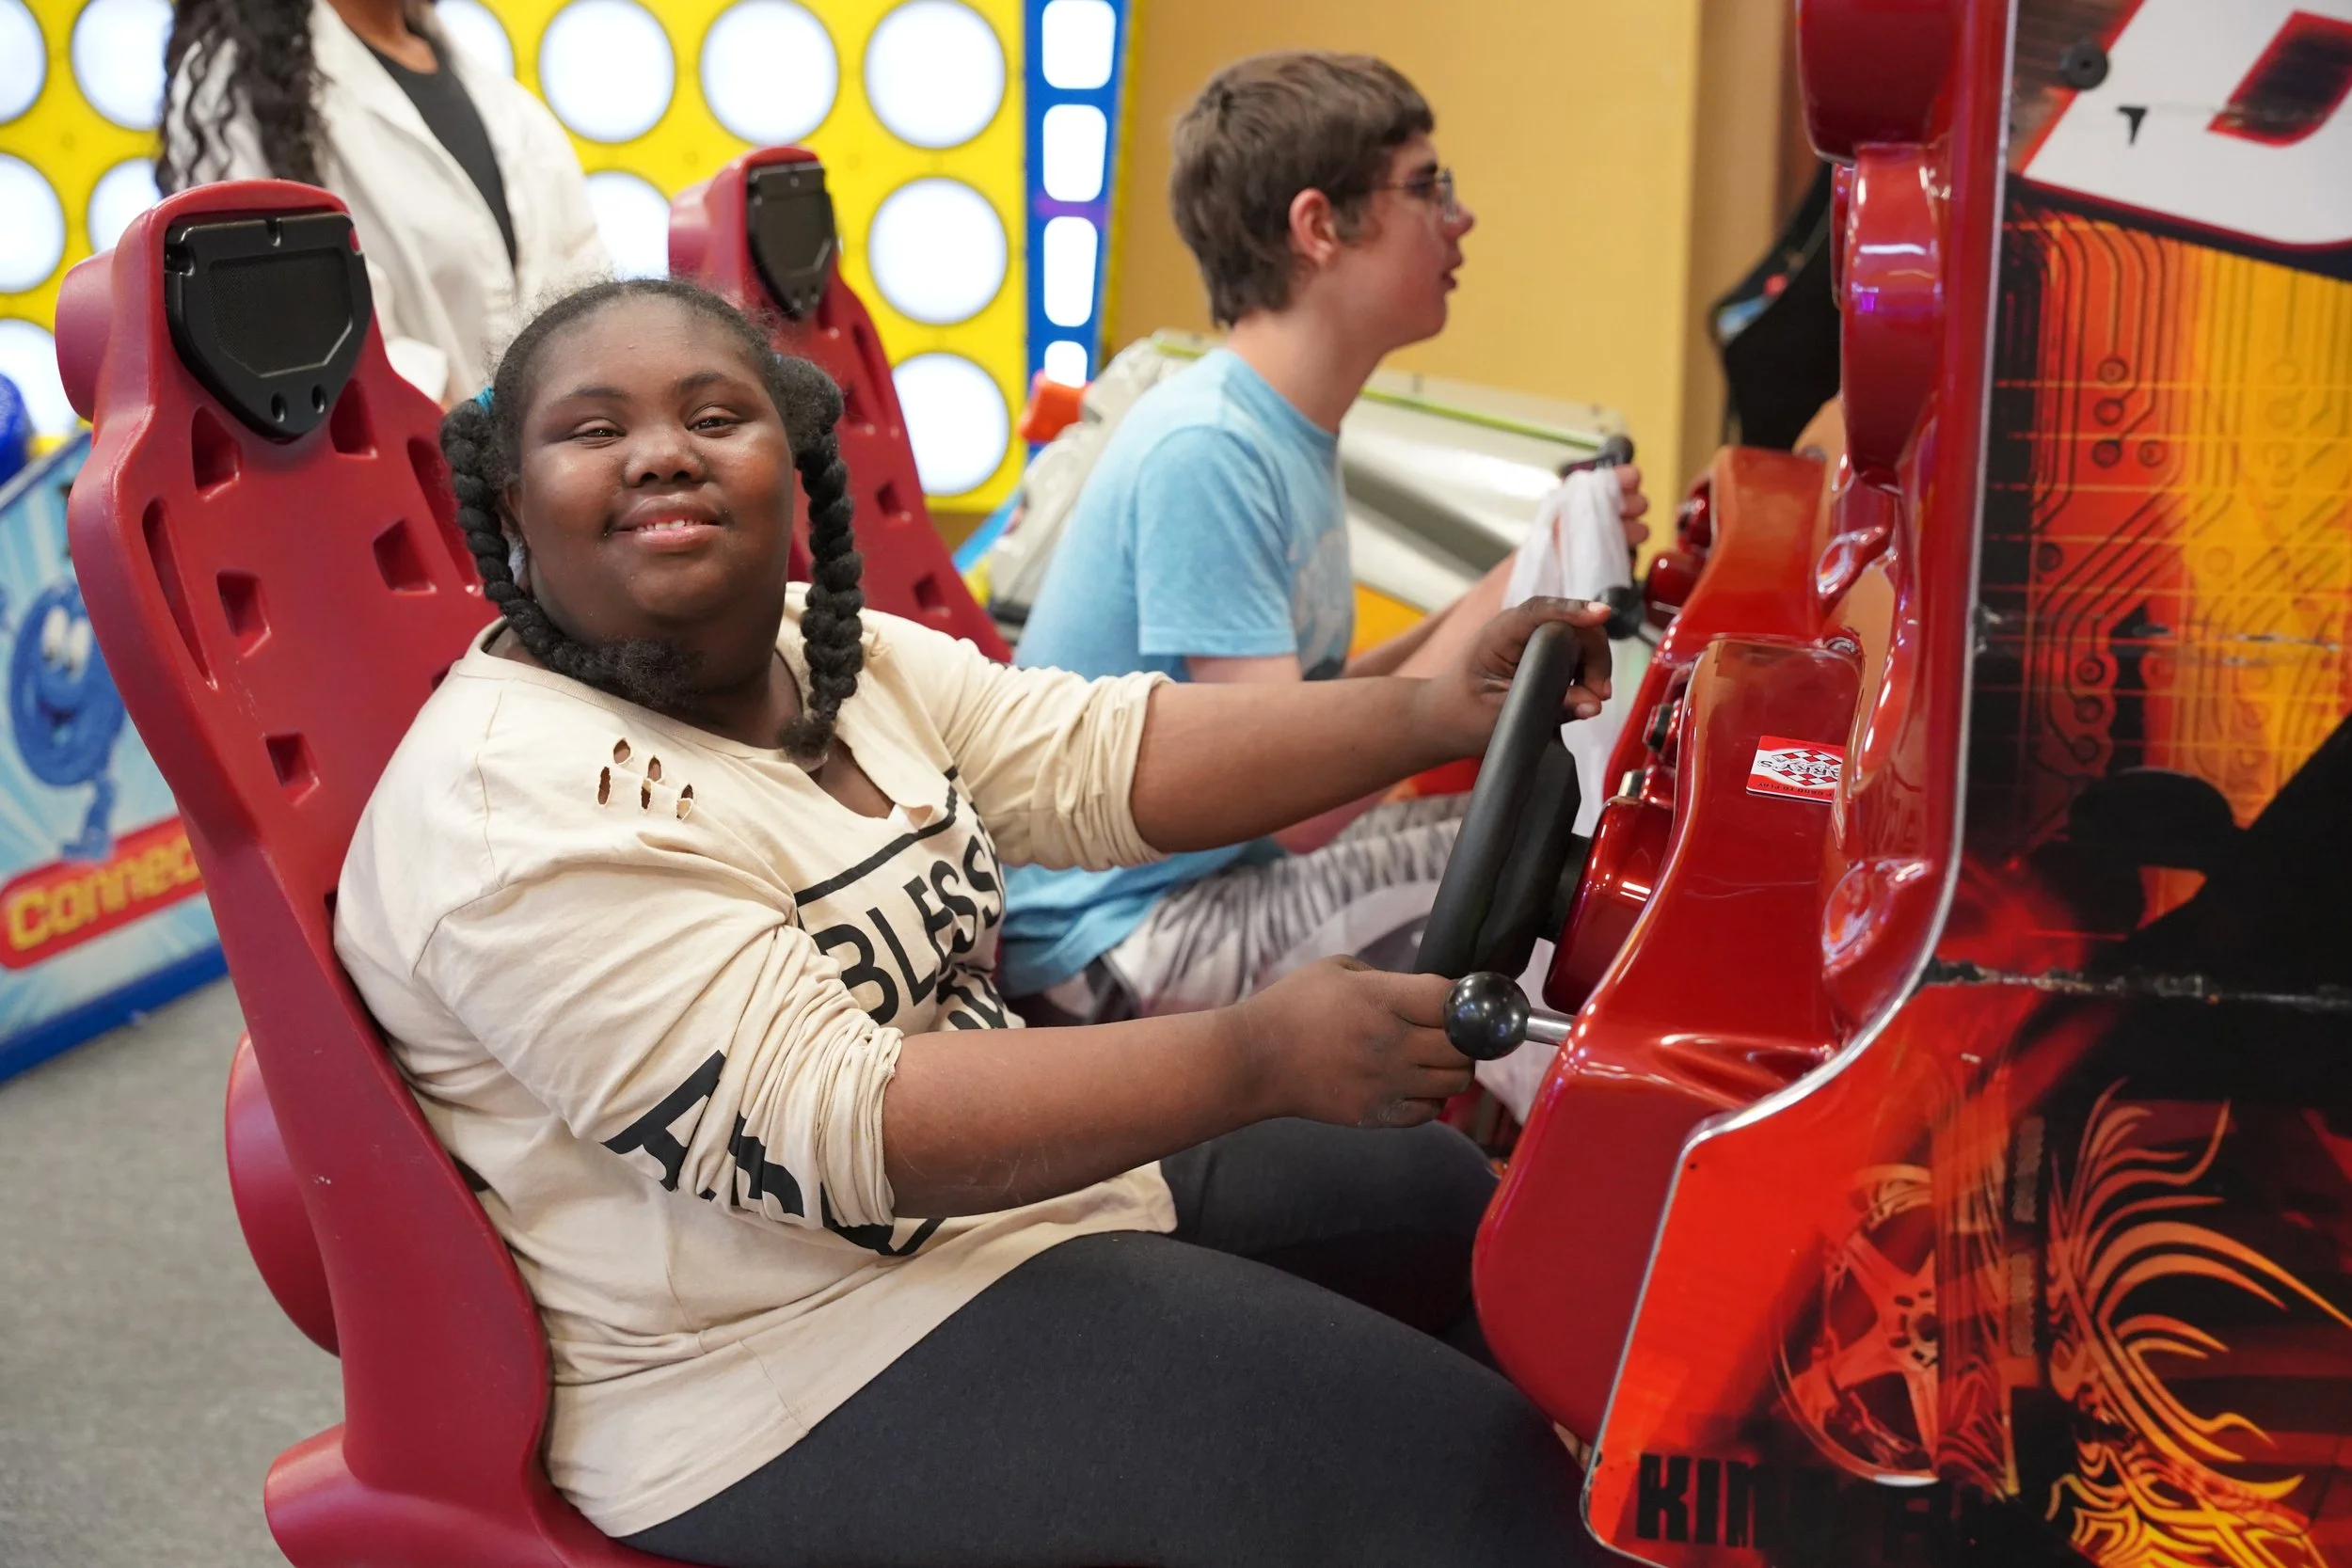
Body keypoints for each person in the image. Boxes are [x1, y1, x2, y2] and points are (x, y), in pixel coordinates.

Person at [332, 276, 1621, 1567]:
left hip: (978, 1224)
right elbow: (835, 1125)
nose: (664, 449)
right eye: (595, 429)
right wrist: (1256, 1054)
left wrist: (1436, 710)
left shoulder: (819, 649)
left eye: (715, 414)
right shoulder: (513, 803)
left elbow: (1102, 756)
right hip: (772, 1360)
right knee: (1450, 1471)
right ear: (513, 503)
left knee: (1455, 1207)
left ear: (789, 460)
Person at [1002, 52, 1649, 1020]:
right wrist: (1510, 584)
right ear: (1318, 227)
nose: (1459, 218)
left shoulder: (1279, 425)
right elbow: (1295, 804)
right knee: (1564, 872)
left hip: (1204, 886)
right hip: (1113, 941)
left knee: (1547, 845)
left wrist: (1523, 574)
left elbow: (1310, 711)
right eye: (1428, 187)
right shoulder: (1208, 447)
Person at [161, 0, 607, 405]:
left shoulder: (504, 102)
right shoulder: (235, 87)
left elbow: (583, 280)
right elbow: (287, 329)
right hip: (389, 477)